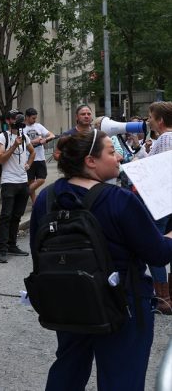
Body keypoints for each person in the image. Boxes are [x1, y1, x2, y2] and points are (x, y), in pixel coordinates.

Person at [33, 129, 172, 391]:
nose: (119, 156)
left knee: (68, 371)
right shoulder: (120, 200)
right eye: (111, 151)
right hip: (123, 304)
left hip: (66, 301)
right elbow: (159, 253)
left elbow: (37, 252)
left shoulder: (46, 198)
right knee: (122, 378)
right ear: (90, 161)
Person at [0, 110, 35, 263]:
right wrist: (13, 146)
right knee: (6, 216)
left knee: (17, 216)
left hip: (22, 182)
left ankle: (12, 245)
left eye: (18, 117)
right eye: (13, 118)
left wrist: (28, 165)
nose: (16, 120)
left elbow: (32, 153)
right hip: (9, 182)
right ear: (8, 120)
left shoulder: (24, 137)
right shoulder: (2, 136)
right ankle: (3, 249)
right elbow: (0, 159)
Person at [144, 101, 172, 314]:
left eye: (151, 116)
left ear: (160, 120)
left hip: (163, 202)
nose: (148, 120)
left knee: (154, 247)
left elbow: (150, 169)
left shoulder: (164, 138)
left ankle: (163, 298)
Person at [24, 108, 55, 203]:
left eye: (35, 118)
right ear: (27, 117)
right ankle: (34, 202)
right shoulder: (22, 128)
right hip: (28, 158)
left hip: (40, 157)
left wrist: (46, 139)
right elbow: (21, 143)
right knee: (30, 181)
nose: (35, 120)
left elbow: (52, 135)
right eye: (33, 118)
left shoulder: (38, 126)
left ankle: (24, 192)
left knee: (42, 179)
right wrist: (34, 141)